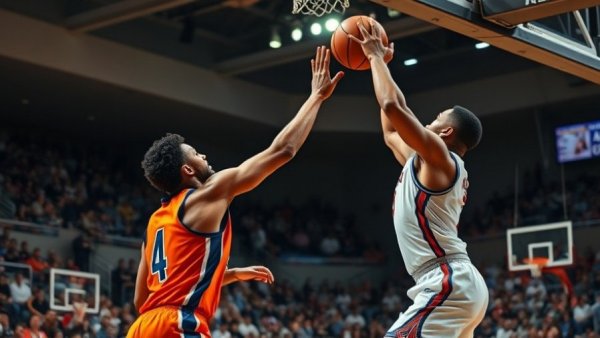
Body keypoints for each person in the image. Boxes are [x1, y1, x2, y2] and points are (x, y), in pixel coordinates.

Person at [127, 46, 343, 338]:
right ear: (187, 171)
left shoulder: (154, 224)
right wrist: (316, 97)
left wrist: (228, 274)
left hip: (142, 328)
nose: (203, 156)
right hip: (177, 324)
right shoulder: (207, 194)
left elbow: (143, 299)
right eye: (195, 154)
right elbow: (282, 150)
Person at [349, 20, 488, 337]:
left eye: (437, 118)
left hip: (447, 280)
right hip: (452, 281)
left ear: (446, 132)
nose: (430, 120)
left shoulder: (440, 158)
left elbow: (392, 105)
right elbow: (390, 131)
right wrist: (383, 65)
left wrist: (373, 56)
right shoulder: (423, 163)